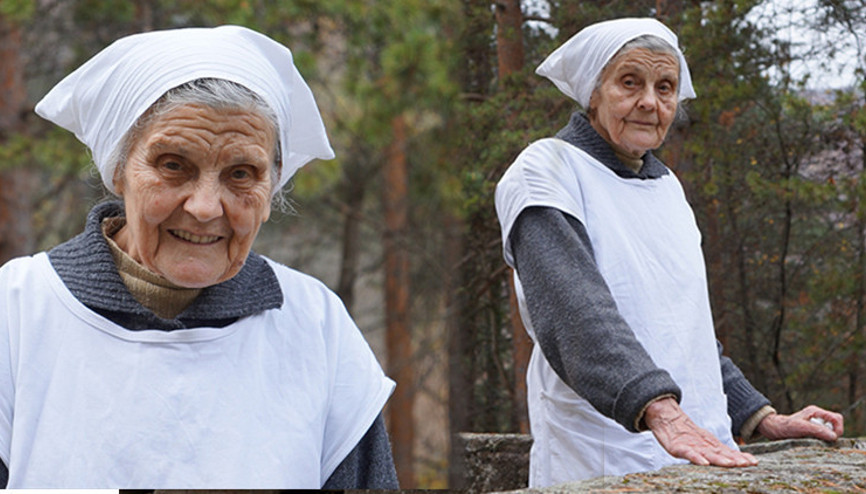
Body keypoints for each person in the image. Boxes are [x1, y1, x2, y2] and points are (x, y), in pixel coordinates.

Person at [0, 25, 397, 489]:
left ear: (272, 188)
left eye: (241, 173)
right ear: (119, 168)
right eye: (173, 165)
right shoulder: (17, 313)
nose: (205, 207)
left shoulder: (316, 327)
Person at [494, 17, 844, 487]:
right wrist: (658, 409)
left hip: (703, 456)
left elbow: (684, 330)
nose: (649, 102)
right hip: (601, 461)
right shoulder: (546, 170)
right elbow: (574, 313)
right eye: (629, 83)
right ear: (592, 93)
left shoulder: (666, 187)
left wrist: (757, 416)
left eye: (665, 87)